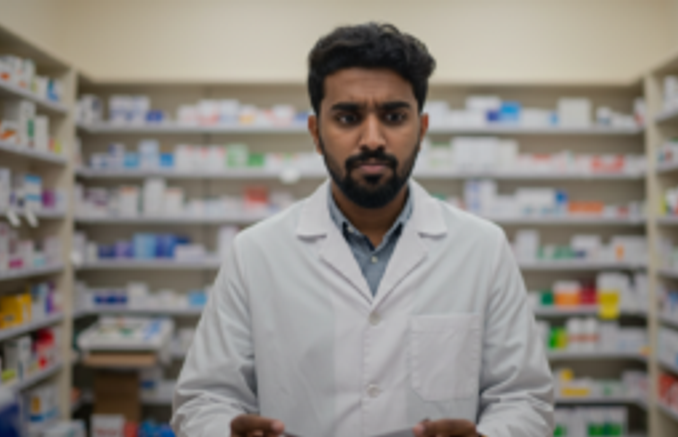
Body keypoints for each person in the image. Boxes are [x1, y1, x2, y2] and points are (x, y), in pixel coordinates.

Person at [172, 22, 554, 437]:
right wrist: (225, 431)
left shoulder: (482, 248)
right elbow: (204, 399)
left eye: (393, 116)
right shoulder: (255, 252)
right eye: (348, 117)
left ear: (422, 131)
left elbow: (524, 398)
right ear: (316, 134)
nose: (372, 139)